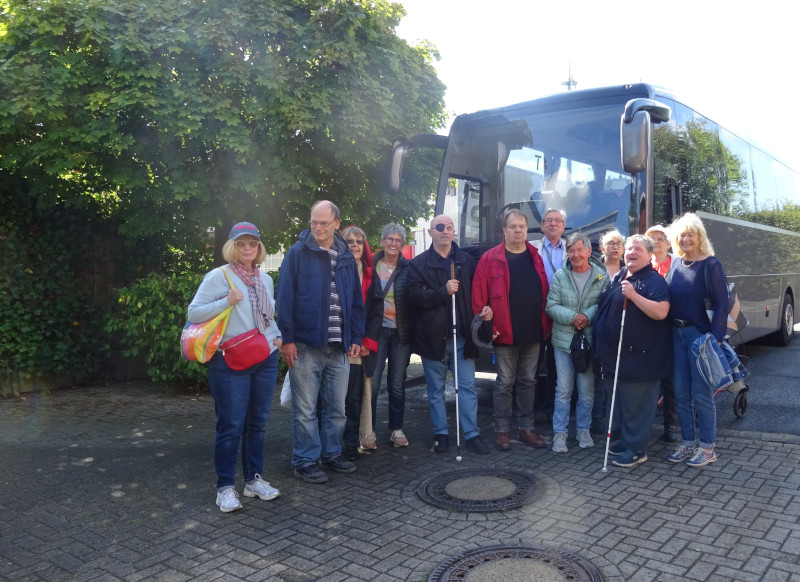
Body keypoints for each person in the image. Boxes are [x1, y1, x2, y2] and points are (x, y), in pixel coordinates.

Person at [187, 222, 283, 512]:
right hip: (230, 361)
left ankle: (253, 480)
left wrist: (277, 336)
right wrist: (225, 301)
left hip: (265, 358)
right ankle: (225, 488)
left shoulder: (263, 279)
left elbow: (266, 317)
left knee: (258, 423)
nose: (247, 248)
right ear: (232, 247)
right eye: (241, 243)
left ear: (258, 248)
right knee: (230, 426)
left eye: (252, 244)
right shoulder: (220, 276)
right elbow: (193, 313)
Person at [276, 201, 366, 483]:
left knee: (337, 409)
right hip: (305, 345)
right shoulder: (298, 252)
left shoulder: (347, 257)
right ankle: (304, 460)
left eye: (324, 223)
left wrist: (355, 337)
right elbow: (285, 296)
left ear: (337, 223)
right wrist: (287, 339)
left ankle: (332, 453)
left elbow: (355, 301)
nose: (317, 228)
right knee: (305, 410)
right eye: (313, 222)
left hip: (339, 347)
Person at [406, 215, 491, 455]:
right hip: (432, 339)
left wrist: (485, 309)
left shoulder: (467, 261)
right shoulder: (418, 264)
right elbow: (413, 298)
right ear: (431, 232)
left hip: (462, 337)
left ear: (454, 232)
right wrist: (442, 292)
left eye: (449, 227)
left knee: (467, 387)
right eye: (440, 228)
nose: (445, 231)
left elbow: (478, 293)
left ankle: (472, 434)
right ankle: (441, 434)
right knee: (435, 391)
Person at [472, 209, 550, 450]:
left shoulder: (535, 255)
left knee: (528, 381)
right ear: (504, 230)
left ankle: (527, 428)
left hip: (533, 332)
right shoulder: (490, 258)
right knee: (505, 382)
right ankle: (502, 431)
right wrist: (488, 326)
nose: (518, 231)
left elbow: (545, 291)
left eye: (522, 227)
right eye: (513, 226)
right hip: (504, 332)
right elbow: (478, 298)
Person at [593, 235, 671, 467]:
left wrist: (635, 296)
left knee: (638, 404)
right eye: (629, 249)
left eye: (638, 249)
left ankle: (637, 449)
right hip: (617, 357)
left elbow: (661, 312)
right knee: (624, 402)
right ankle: (627, 442)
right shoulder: (621, 276)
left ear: (649, 255)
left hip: (641, 359)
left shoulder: (654, 281)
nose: (631, 253)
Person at [666, 213, 729, 467]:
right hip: (676, 335)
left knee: (702, 395)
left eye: (690, 234)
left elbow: (723, 302)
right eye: (682, 234)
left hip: (699, 338)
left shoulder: (711, 264)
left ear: (699, 237)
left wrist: (715, 338)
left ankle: (707, 448)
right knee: (681, 394)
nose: (686, 238)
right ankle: (688, 442)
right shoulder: (676, 264)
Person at [545, 232, 608, 453]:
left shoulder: (601, 276)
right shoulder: (560, 276)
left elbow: (604, 305)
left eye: (580, 249)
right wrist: (573, 317)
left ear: (589, 252)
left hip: (589, 343)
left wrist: (586, 316)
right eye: (571, 250)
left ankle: (583, 430)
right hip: (563, 343)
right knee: (563, 390)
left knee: (586, 390)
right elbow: (550, 306)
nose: (575, 254)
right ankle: (560, 435)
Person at [370, 223, 414, 449]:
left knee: (397, 384)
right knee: (373, 385)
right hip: (377, 332)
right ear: (382, 240)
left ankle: (396, 429)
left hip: (401, 333)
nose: (393, 243)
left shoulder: (409, 267)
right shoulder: (370, 264)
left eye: (398, 240)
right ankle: (368, 431)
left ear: (403, 244)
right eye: (389, 238)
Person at [340, 226, 382, 462]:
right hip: (336, 344)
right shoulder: (334, 269)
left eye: (359, 241)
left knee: (354, 398)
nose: (354, 245)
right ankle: (330, 445)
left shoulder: (369, 272)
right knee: (332, 398)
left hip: (359, 346)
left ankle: (350, 445)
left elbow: (376, 311)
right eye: (349, 241)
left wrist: (366, 341)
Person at [532, 208, 567, 422]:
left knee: (557, 367)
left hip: (560, 315)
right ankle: (531, 412)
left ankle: (552, 411)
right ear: (543, 226)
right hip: (535, 313)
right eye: (548, 221)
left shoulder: (572, 249)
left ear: (563, 226)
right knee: (531, 367)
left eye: (557, 221)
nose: (553, 224)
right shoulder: (532, 249)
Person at [645, 224, 680, 442]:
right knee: (648, 380)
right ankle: (645, 426)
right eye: (652, 238)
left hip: (671, 329)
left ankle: (670, 425)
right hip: (647, 331)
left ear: (668, 242)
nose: (656, 241)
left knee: (670, 381)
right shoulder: (642, 263)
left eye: (660, 238)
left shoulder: (677, 264)